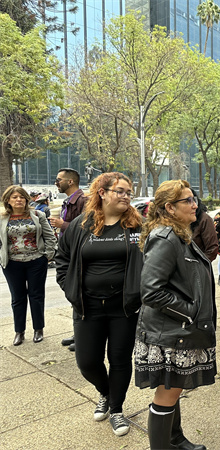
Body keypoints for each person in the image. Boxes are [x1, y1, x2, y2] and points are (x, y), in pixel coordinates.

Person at [55, 172, 143, 436]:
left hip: (123, 308)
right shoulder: (80, 225)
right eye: (121, 191)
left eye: (129, 192)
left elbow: (150, 261)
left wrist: (138, 294)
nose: (127, 196)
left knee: (119, 359)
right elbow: (62, 260)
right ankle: (105, 392)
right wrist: (70, 289)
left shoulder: (137, 226)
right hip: (87, 308)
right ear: (102, 193)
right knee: (87, 361)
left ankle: (116, 409)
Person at [135, 179, 216, 450]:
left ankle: (175, 440)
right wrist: (191, 313)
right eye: (188, 201)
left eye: (194, 199)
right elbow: (151, 291)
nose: (195, 205)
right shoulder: (165, 237)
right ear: (169, 207)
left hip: (176, 331)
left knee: (173, 388)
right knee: (167, 393)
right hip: (171, 334)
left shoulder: (177, 233)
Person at [1, 186, 57, 346]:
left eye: (21, 197)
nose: (18, 200)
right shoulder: (2, 218)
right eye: (14, 197)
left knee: (36, 296)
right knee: (17, 298)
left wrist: (47, 256)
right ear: (8, 201)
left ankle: (38, 329)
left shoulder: (38, 215)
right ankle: (19, 332)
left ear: (27, 199)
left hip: (36, 262)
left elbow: (50, 237)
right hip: (12, 264)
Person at [50, 168, 87, 352]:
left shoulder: (82, 201)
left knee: (78, 294)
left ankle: (82, 336)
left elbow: (86, 227)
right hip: (69, 253)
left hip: (78, 255)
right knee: (73, 296)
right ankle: (77, 333)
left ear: (70, 182)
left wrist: (62, 224)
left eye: (59, 180)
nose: (56, 183)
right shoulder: (68, 201)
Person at [190, 190, 218, 262]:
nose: (194, 205)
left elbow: (212, 249)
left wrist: (198, 266)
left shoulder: (204, 219)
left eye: (194, 200)